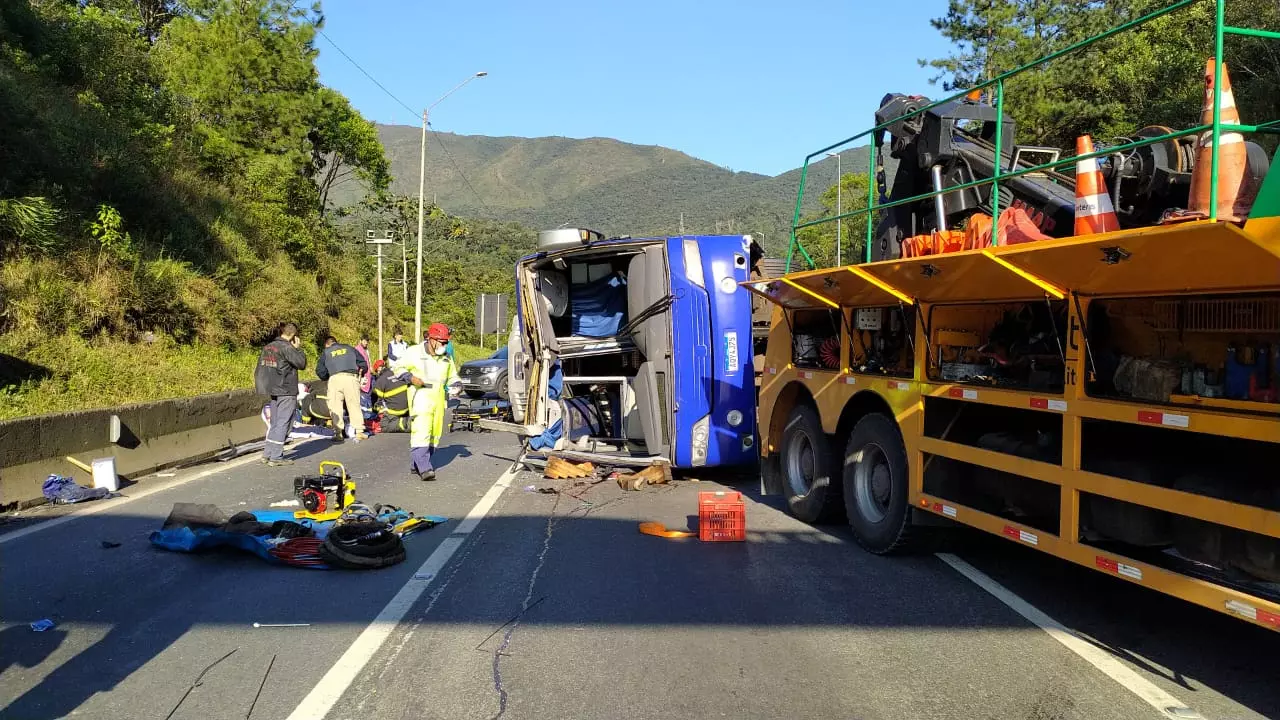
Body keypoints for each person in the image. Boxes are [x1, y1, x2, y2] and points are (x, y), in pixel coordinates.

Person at [392, 322, 461, 481]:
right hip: (421, 396)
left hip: (438, 398)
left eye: (446, 343)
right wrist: (410, 378)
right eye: (442, 342)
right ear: (432, 339)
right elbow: (398, 368)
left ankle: (417, 463)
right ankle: (425, 468)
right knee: (421, 431)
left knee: (434, 434)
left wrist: (457, 385)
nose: (445, 345)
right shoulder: (414, 352)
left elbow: (452, 376)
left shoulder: (446, 358)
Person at [255, 322, 307, 466]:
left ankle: (267, 453)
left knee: (275, 423)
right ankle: (276, 456)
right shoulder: (287, 347)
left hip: (273, 389)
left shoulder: (268, 346)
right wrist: (298, 349)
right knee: (285, 422)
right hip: (286, 389)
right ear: (293, 335)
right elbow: (301, 363)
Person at [316, 335, 368, 442]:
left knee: (335, 406)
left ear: (327, 344)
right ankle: (359, 431)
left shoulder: (326, 352)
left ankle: (338, 433)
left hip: (335, 379)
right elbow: (363, 364)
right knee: (354, 404)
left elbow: (320, 371)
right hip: (351, 378)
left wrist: (328, 376)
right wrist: (360, 373)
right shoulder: (349, 348)